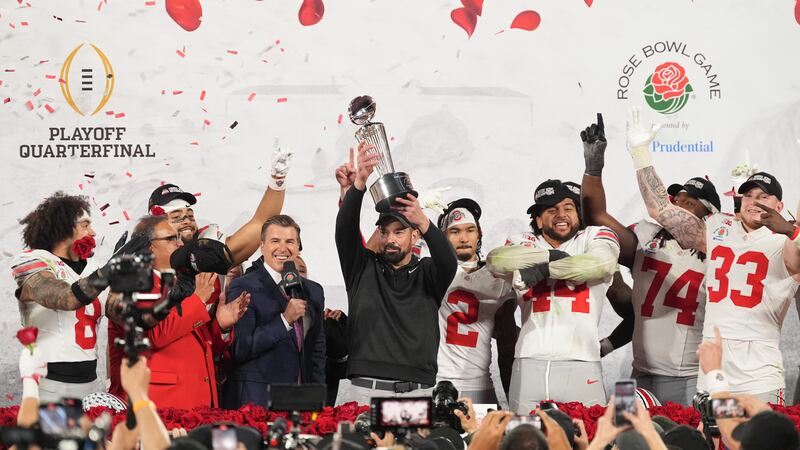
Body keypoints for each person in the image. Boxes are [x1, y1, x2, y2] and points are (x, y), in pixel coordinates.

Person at [625, 107, 800, 403]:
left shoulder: (785, 240)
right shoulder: (718, 229)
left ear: (780, 205)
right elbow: (662, 211)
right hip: (714, 367)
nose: (754, 202)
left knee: (760, 441)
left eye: (763, 196)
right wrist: (641, 153)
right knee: (714, 443)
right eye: (748, 195)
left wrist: (791, 231)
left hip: (758, 371)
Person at [580, 113, 721, 404]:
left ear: (709, 215)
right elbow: (595, 218)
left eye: (689, 201)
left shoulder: (718, 247)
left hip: (690, 377)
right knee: (626, 442)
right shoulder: (648, 236)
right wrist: (593, 168)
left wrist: (640, 152)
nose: (678, 203)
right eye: (677, 198)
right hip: (638, 373)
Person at [334, 141, 458, 405]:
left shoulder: (427, 273)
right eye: (385, 231)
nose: (390, 238)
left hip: (415, 392)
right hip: (366, 390)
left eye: (399, 231)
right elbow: (344, 231)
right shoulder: (362, 268)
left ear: (415, 235)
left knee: (411, 448)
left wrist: (424, 221)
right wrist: (358, 187)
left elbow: (448, 261)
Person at [492, 179, 621, 412]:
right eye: (551, 210)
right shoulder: (524, 240)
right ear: (539, 220)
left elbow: (601, 263)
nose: (561, 214)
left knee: (589, 441)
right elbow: (497, 261)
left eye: (568, 208)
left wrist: (543, 269)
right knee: (526, 440)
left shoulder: (595, 235)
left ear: (579, 215)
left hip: (582, 360)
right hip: (530, 359)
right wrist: (552, 257)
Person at [11, 192, 147, 402]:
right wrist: (109, 271)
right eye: (85, 225)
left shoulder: (93, 268)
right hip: (51, 384)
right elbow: (66, 298)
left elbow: (124, 317)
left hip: (92, 383)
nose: (92, 232)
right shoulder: (35, 262)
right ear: (63, 229)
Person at [106, 215, 249, 409]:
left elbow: (195, 345)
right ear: (149, 246)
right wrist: (198, 300)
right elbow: (153, 335)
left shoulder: (180, 282)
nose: (179, 243)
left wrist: (221, 326)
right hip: (158, 405)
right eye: (171, 238)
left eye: (179, 238)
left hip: (196, 404)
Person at [222, 215, 326, 408]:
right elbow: (239, 349)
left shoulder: (314, 291)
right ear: (262, 246)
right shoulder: (244, 286)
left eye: (290, 242)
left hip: (301, 401)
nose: (282, 248)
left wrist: (318, 398)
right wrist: (284, 320)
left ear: (298, 247)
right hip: (256, 401)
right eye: (275, 241)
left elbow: (317, 352)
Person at [148, 146, 291, 266]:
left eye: (190, 215)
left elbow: (261, 222)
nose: (187, 221)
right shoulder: (139, 262)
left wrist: (277, 179)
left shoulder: (208, 247)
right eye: (177, 217)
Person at [435, 198, 516, 404]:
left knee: (487, 437)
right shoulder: (431, 271)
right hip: (437, 385)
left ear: (479, 234)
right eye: (455, 232)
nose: (463, 238)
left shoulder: (497, 275)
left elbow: (507, 341)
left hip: (481, 384)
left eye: (470, 230)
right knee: (438, 437)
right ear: (443, 236)